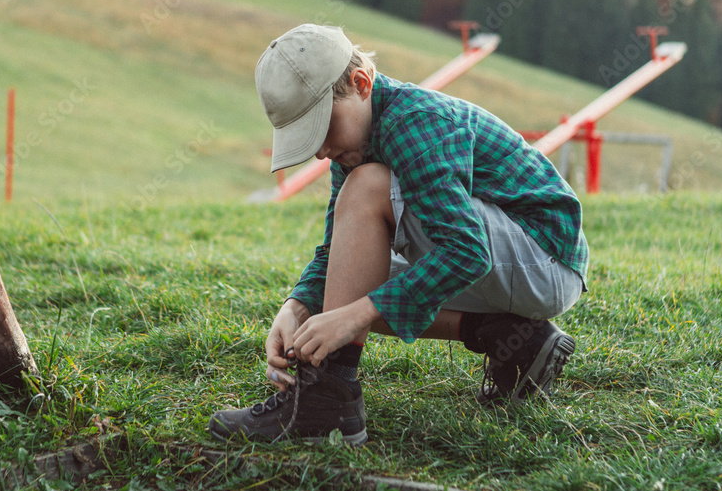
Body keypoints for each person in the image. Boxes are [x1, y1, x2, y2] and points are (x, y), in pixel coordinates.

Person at [208, 24, 589, 445]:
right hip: (512, 263)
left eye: (322, 127)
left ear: (361, 83)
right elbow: (339, 251)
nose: (319, 151)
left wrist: (356, 313)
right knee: (348, 281)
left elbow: (468, 253)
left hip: (545, 258)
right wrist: (297, 307)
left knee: (366, 198)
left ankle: (328, 402)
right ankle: (510, 339)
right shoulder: (353, 141)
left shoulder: (415, 124)